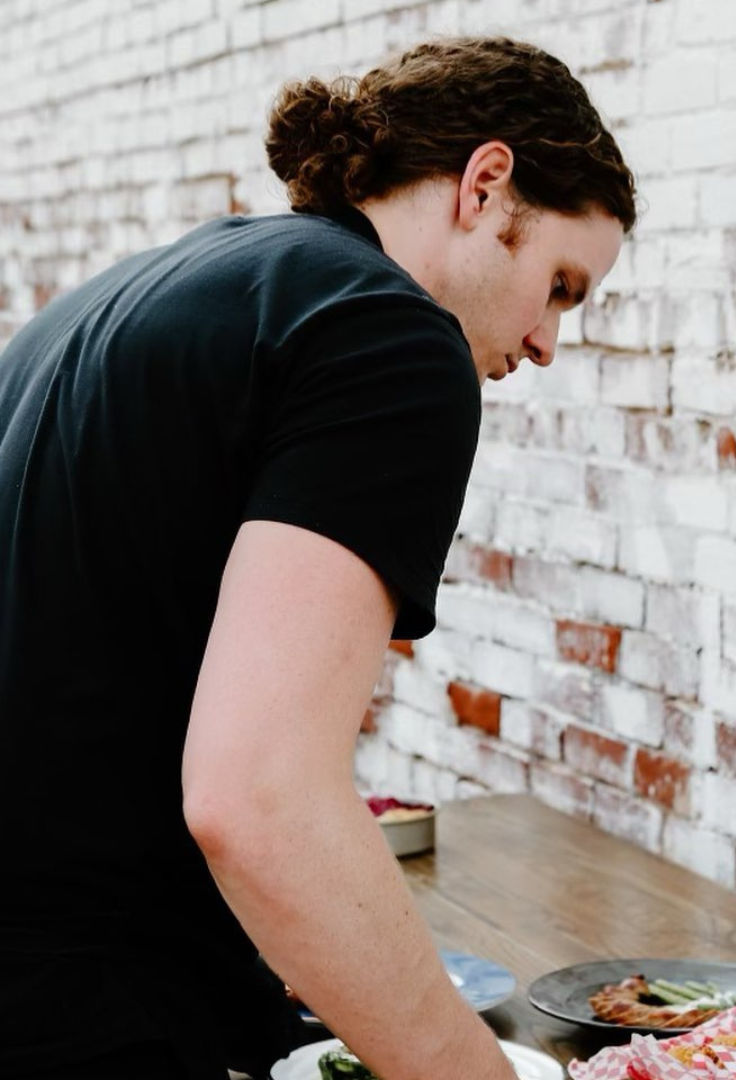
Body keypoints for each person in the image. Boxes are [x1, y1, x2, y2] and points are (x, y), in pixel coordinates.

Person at [0, 35, 636, 1080]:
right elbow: (258, 800)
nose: (546, 343)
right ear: (486, 186)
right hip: (76, 1008)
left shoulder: (175, 279)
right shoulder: (388, 336)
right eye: (560, 286)